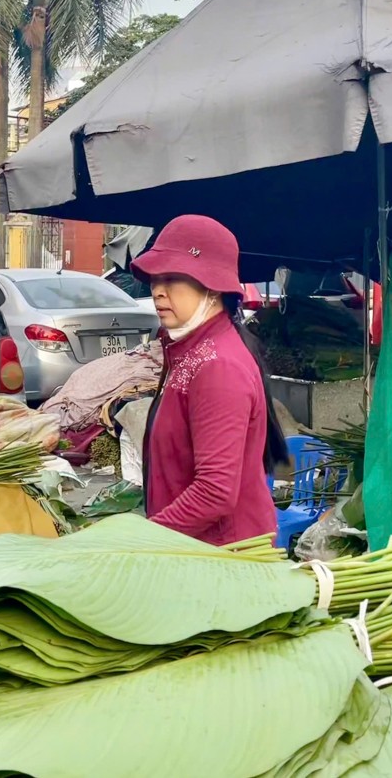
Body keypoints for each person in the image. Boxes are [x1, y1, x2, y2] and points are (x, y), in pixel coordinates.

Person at [131, 215, 289, 546]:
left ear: (213, 288)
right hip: (191, 549)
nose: (158, 291)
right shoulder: (188, 350)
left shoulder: (219, 366)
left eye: (173, 279)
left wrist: (141, 540)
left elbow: (215, 492)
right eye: (154, 280)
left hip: (222, 559)